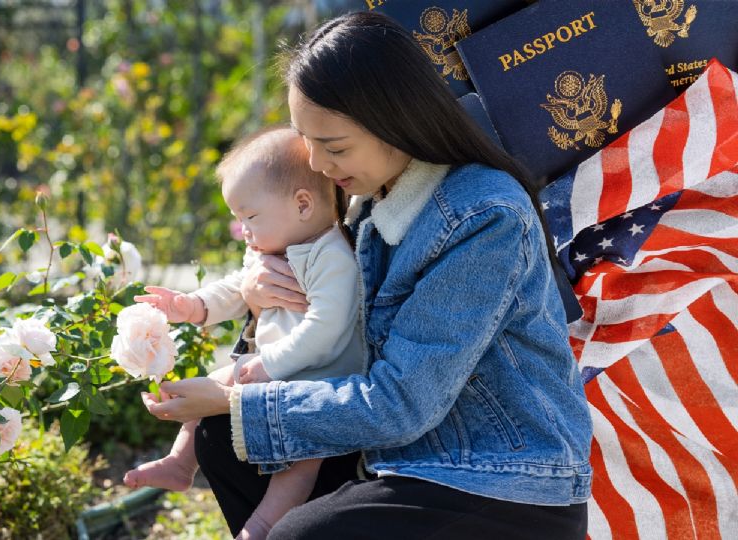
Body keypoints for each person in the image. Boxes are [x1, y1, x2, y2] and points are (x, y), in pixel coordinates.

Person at [138, 11, 593, 540]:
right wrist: (261, 298)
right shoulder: (365, 204)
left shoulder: (483, 216)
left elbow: (402, 402)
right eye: (305, 140)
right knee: (224, 438)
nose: (316, 163)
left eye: (333, 147)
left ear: (395, 122)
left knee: (291, 523)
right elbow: (322, 344)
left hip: (498, 480)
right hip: (397, 455)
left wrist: (234, 396)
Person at [123, 126, 366, 540]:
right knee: (203, 390)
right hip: (272, 368)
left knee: (302, 461)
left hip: (319, 382)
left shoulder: (332, 257)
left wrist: (271, 363)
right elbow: (239, 286)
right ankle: (181, 463)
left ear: (303, 204)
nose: (244, 231)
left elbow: (327, 329)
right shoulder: (272, 245)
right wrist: (193, 305)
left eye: (250, 217)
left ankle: (264, 525)